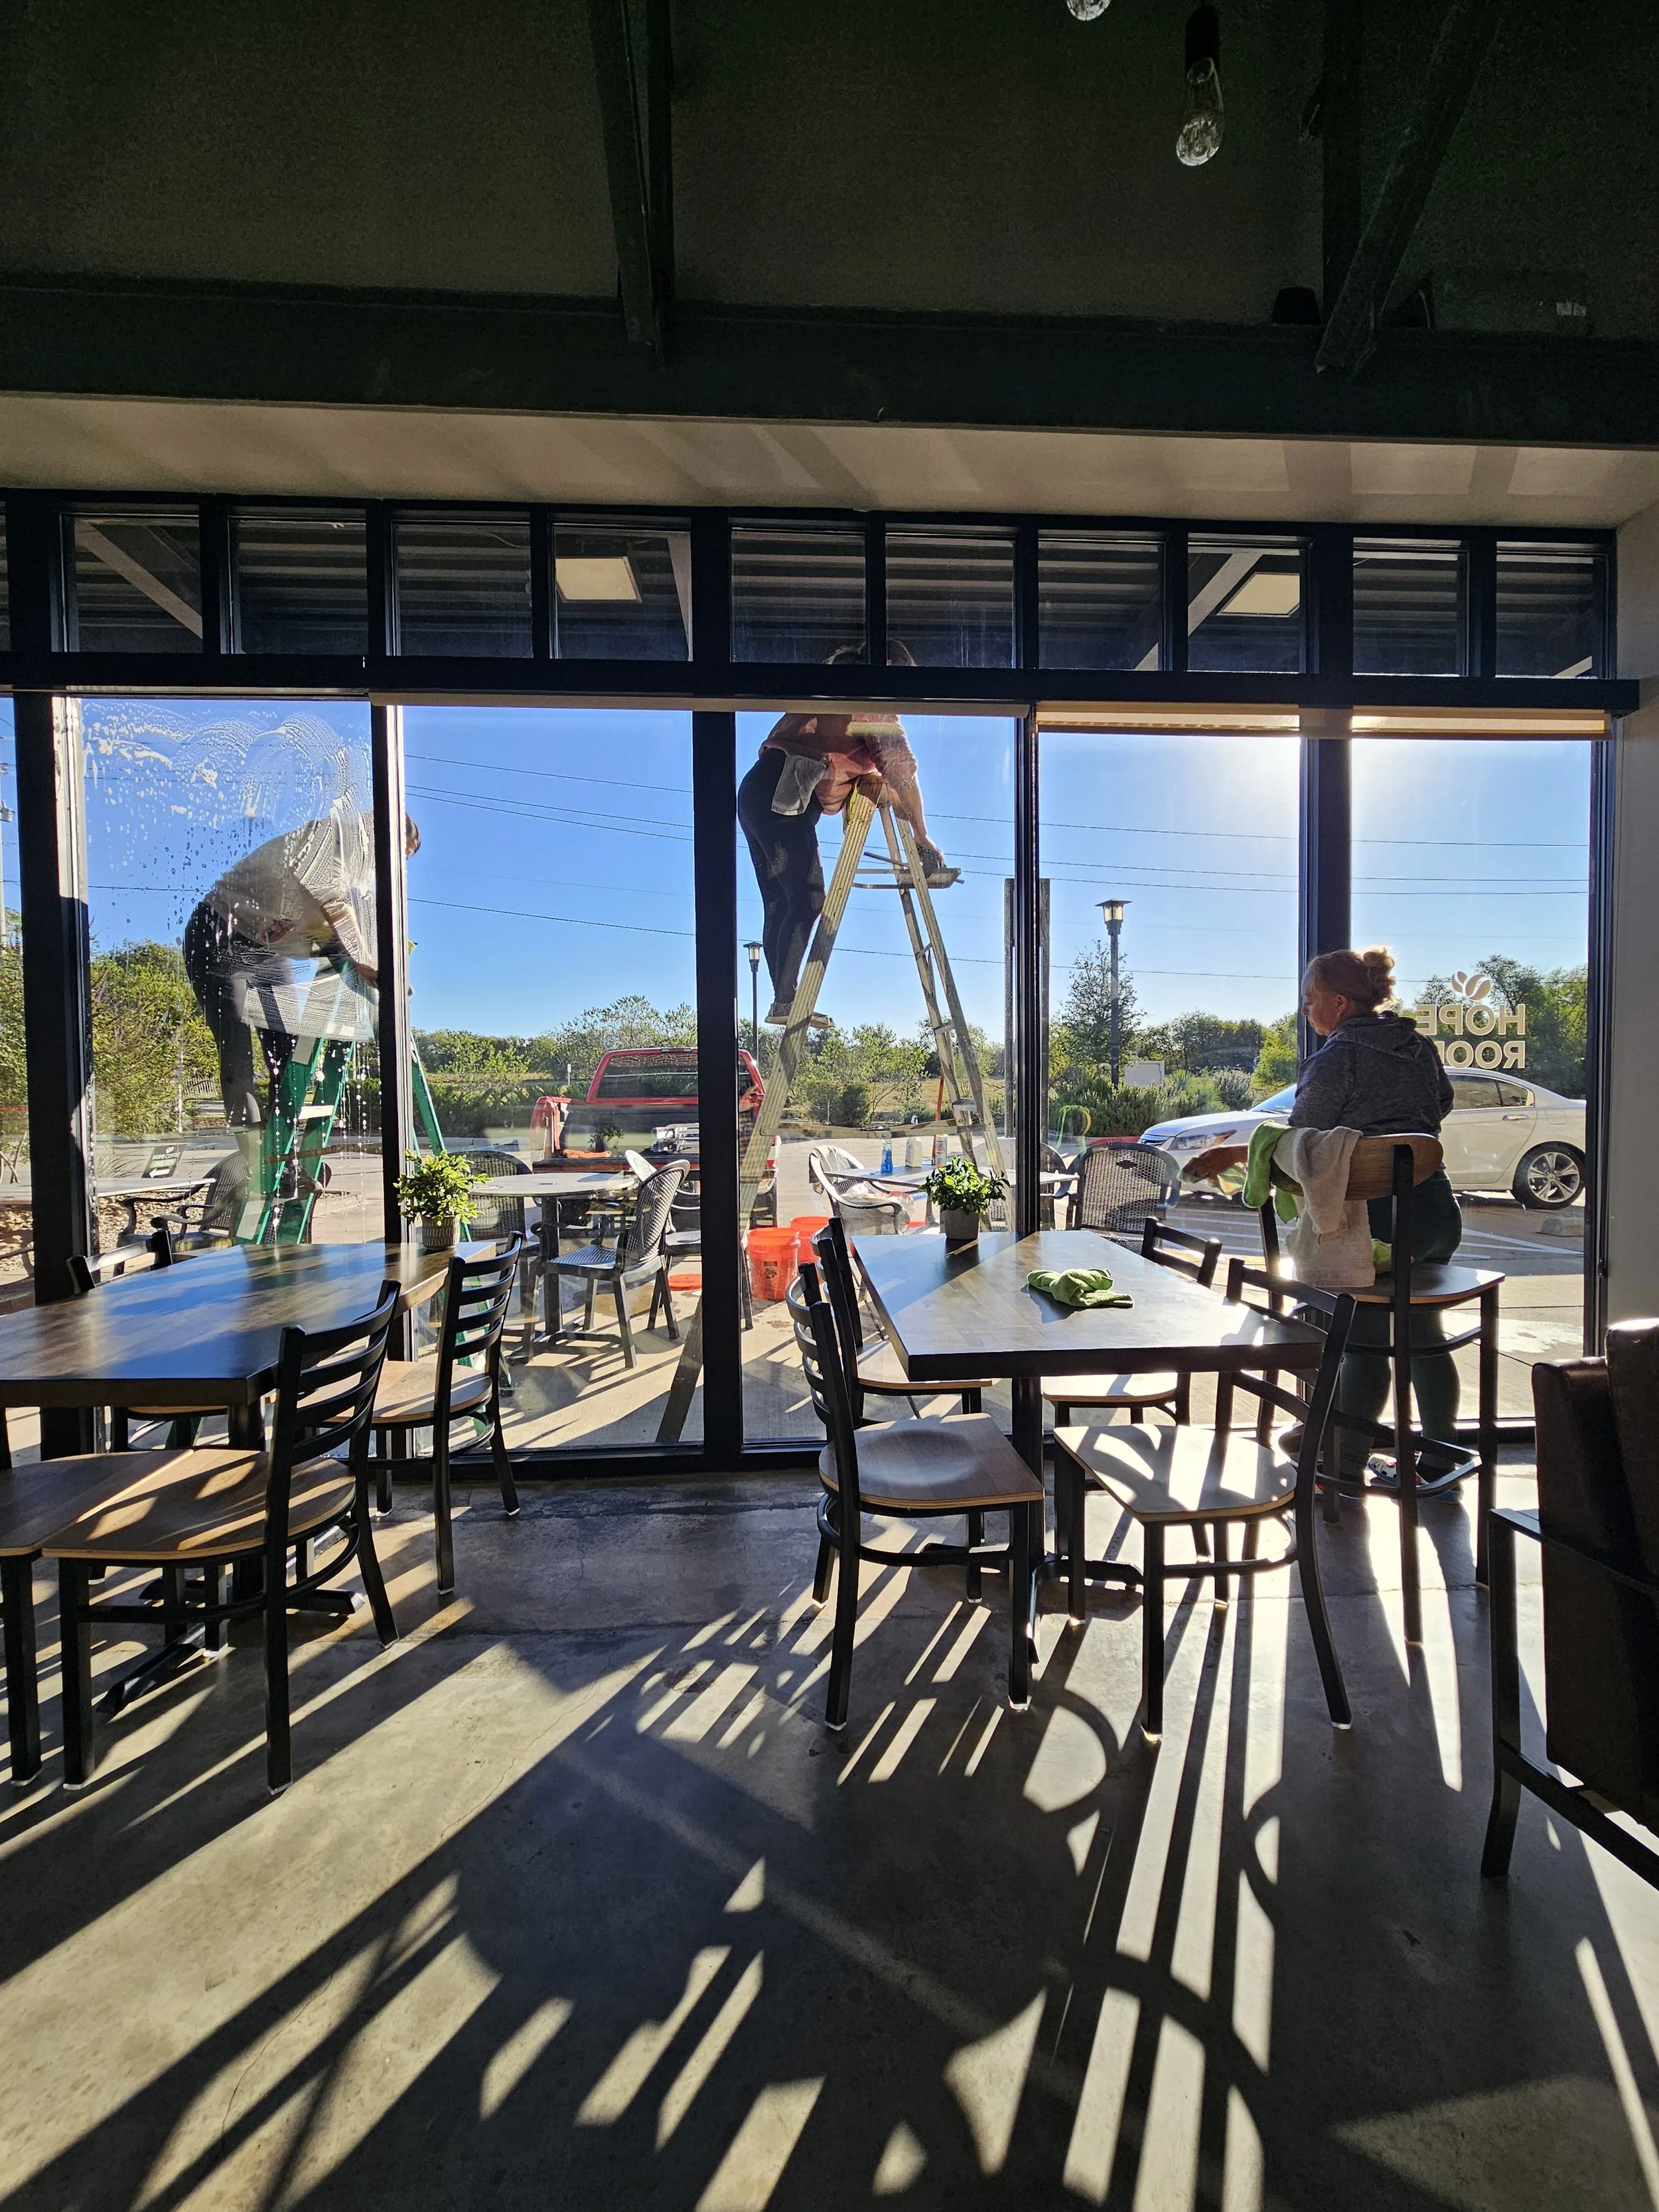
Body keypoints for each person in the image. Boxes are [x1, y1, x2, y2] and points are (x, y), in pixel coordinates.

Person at [1289, 944, 1461, 1477]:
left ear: (1339, 1003)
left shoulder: (1338, 1056)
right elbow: (1444, 1102)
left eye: (1310, 999)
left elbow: (1302, 1130)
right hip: (1434, 1211)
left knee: (1362, 1342)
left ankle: (1345, 1465)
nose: (1305, 1011)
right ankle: (1439, 1458)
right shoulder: (1415, 1044)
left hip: (1376, 1221)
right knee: (1424, 1335)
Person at [737, 652, 953, 1028]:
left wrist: (891, 798)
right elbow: (903, 772)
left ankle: (783, 1000)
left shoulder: (835, 690)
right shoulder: (872, 703)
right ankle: (788, 1000)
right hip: (778, 792)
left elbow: (892, 789)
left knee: (780, 902)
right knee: (808, 897)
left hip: (759, 791)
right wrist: (922, 835)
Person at [183, 812, 418, 1130]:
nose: (392, 865)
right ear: (380, 831)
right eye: (396, 852)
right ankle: (255, 1161)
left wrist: (391, 972)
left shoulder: (360, 876)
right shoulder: (338, 836)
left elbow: (360, 924)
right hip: (218, 934)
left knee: (287, 1055)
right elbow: (336, 906)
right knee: (238, 1057)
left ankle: (283, 1158)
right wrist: (367, 963)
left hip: (267, 954)